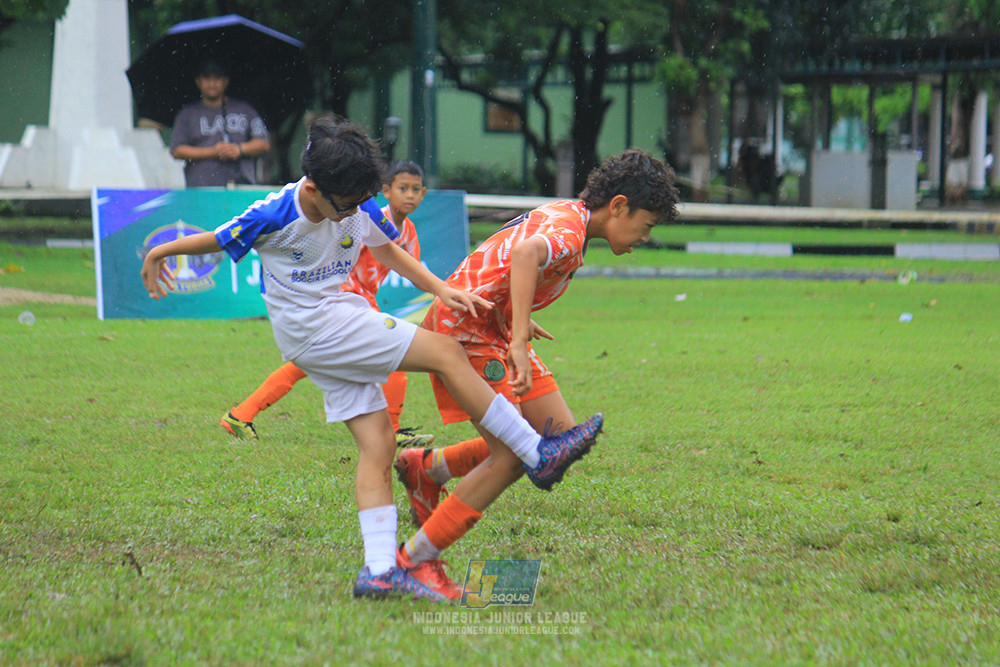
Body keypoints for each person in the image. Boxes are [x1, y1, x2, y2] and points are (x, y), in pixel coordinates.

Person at [140, 116, 603, 601]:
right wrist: (159, 254)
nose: (355, 215)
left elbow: (390, 253)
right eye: (346, 207)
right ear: (314, 189)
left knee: (379, 442)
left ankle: (380, 570)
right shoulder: (273, 213)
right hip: (319, 327)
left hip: (325, 327)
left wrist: (441, 289)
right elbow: (215, 238)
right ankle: (535, 452)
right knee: (446, 352)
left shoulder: (354, 197)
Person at [393, 149, 680, 599]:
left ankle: (428, 467)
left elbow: (513, 257)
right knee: (512, 457)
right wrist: (520, 339)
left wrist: (515, 316)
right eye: (646, 225)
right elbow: (526, 253)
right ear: (619, 205)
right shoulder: (569, 231)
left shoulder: (573, 218)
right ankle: (414, 561)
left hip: (491, 321)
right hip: (468, 329)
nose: (645, 237)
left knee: (558, 436)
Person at [219, 160, 436, 448]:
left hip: (360, 300)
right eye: (403, 188)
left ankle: (241, 414)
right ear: (386, 191)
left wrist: (441, 290)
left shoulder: (407, 230)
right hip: (344, 298)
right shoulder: (365, 215)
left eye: (416, 190)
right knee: (396, 352)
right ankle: (393, 429)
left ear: (424, 194)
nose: (409, 195)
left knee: (305, 365)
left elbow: (411, 266)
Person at [170, 59, 271, 187]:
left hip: (241, 187)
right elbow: (177, 150)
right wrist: (213, 152)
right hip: (201, 189)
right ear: (198, 82)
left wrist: (239, 149)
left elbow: (264, 143)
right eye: (207, 78)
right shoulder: (187, 114)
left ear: (225, 81)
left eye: (217, 78)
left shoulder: (245, 109)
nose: (212, 83)